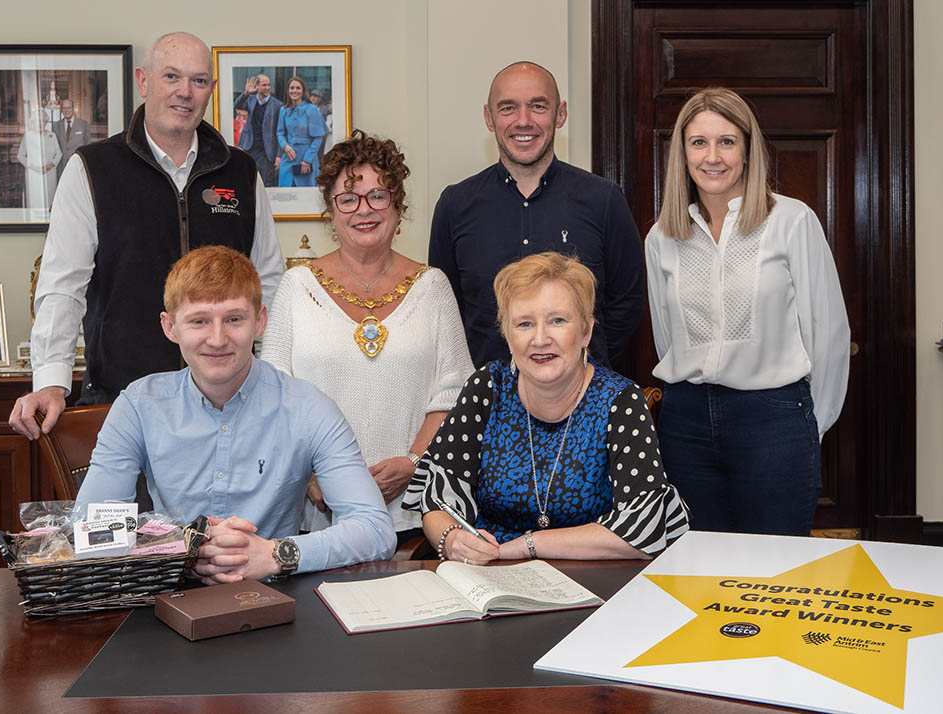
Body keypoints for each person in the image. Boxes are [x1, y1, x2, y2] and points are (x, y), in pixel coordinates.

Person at [9, 32, 283, 441]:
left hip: (233, 410)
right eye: (171, 76)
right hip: (124, 404)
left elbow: (269, 282)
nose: (184, 93)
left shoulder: (241, 171)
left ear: (211, 89)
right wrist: (51, 379)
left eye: (198, 81)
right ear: (143, 80)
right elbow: (62, 286)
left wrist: (275, 377)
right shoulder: (92, 168)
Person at [76, 246, 396, 582]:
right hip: (167, 594)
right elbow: (90, 531)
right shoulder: (139, 405)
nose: (217, 339)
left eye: (233, 319)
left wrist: (277, 553)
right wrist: (184, 547)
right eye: (199, 321)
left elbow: (374, 530)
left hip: (276, 594)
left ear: (260, 322)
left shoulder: (309, 407)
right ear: (170, 327)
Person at [644, 87, 850, 536]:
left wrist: (809, 425)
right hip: (686, 424)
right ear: (681, 152)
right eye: (699, 142)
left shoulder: (792, 221)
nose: (712, 156)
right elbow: (667, 337)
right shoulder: (662, 237)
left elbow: (829, 335)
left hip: (773, 420)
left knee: (774, 571)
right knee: (699, 570)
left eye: (727, 141)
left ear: (748, 150)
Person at [403, 252, 689, 564]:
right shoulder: (487, 389)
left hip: (594, 579)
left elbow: (644, 528)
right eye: (524, 324)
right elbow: (437, 501)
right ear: (508, 336)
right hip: (491, 576)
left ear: (586, 331)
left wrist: (527, 545)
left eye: (557, 321)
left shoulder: (621, 401)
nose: (540, 339)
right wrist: (453, 538)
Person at [262, 130, 473, 545]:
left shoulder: (432, 286)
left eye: (379, 195)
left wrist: (413, 463)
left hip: (417, 517)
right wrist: (308, 475)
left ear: (398, 206)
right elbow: (272, 400)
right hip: (318, 519)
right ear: (330, 208)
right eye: (348, 198)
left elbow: (455, 395)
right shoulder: (297, 286)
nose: (364, 209)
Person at [428, 61, 644, 371]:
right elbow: (446, 312)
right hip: (488, 403)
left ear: (561, 114)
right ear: (489, 118)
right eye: (508, 108)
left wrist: (581, 366)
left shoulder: (604, 201)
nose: (524, 121)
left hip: (584, 399)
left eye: (538, 106)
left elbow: (627, 305)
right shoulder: (455, 205)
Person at [276, 76, 326, 188]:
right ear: (288, 91)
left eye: (298, 88)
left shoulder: (312, 109)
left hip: (306, 158)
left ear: (303, 91)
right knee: (285, 195)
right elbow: (280, 133)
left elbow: (318, 138)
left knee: (306, 197)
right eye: (292, 88)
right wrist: (285, 146)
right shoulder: (283, 110)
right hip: (288, 157)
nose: (294, 91)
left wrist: (307, 160)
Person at [234, 74, 283, 186]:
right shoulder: (250, 100)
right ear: (257, 87)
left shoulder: (277, 105)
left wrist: (279, 155)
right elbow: (237, 105)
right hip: (249, 147)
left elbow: (279, 131)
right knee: (247, 181)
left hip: (266, 151)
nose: (267, 88)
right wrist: (246, 93)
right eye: (264, 85)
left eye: (269, 85)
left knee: (265, 183)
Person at [17, 109, 63, 210]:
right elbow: (20, 156)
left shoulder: (52, 135)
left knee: (49, 197)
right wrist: (34, 167)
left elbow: (59, 154)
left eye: (43, 120)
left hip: (50, 172)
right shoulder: (28, 136)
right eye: (38, 121)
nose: (41, 123)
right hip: (33, 173)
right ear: (33, 122)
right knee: (35, 198)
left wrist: (51, 165)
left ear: (46, 122)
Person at [52, 99, 92, 179]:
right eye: (64, 108)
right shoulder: (56, 126)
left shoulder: (84, 124)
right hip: (61, 166)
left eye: (69, 108)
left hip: (78, 164)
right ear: (61, 110)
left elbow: (87, 145)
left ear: (73, 108)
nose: (66, 110)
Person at [309, 89, 332, 164]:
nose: (313, 98)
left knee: (320, 156)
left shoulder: (324, 109)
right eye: (312, 96)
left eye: (315, 96)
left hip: (321, 137)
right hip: (309, 136)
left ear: (320, 99)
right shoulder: (307, 108)